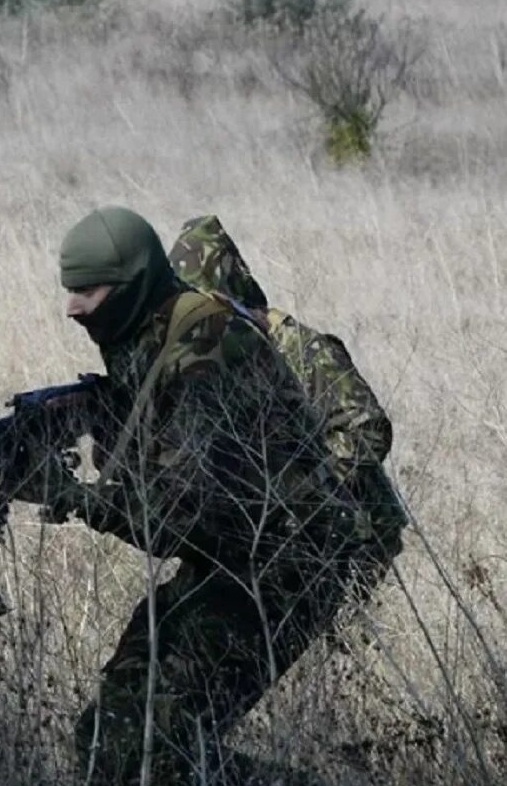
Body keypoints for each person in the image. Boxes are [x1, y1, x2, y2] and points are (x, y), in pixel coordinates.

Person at [7, 206, 365, 786]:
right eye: (69, 290)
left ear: (133, 283)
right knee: (105, 738)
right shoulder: (150, 338)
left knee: (150, 752)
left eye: (87, 292)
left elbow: (179, 515)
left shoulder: (205, 346)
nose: (72, 308)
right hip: (230, 562)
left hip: (283, 571)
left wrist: (71, 495)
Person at [167, 214, 406, 578]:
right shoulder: (219, 357)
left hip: (351, 533)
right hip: (277, 534)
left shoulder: (297, 347)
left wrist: (304, 497)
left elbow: (368, 429)